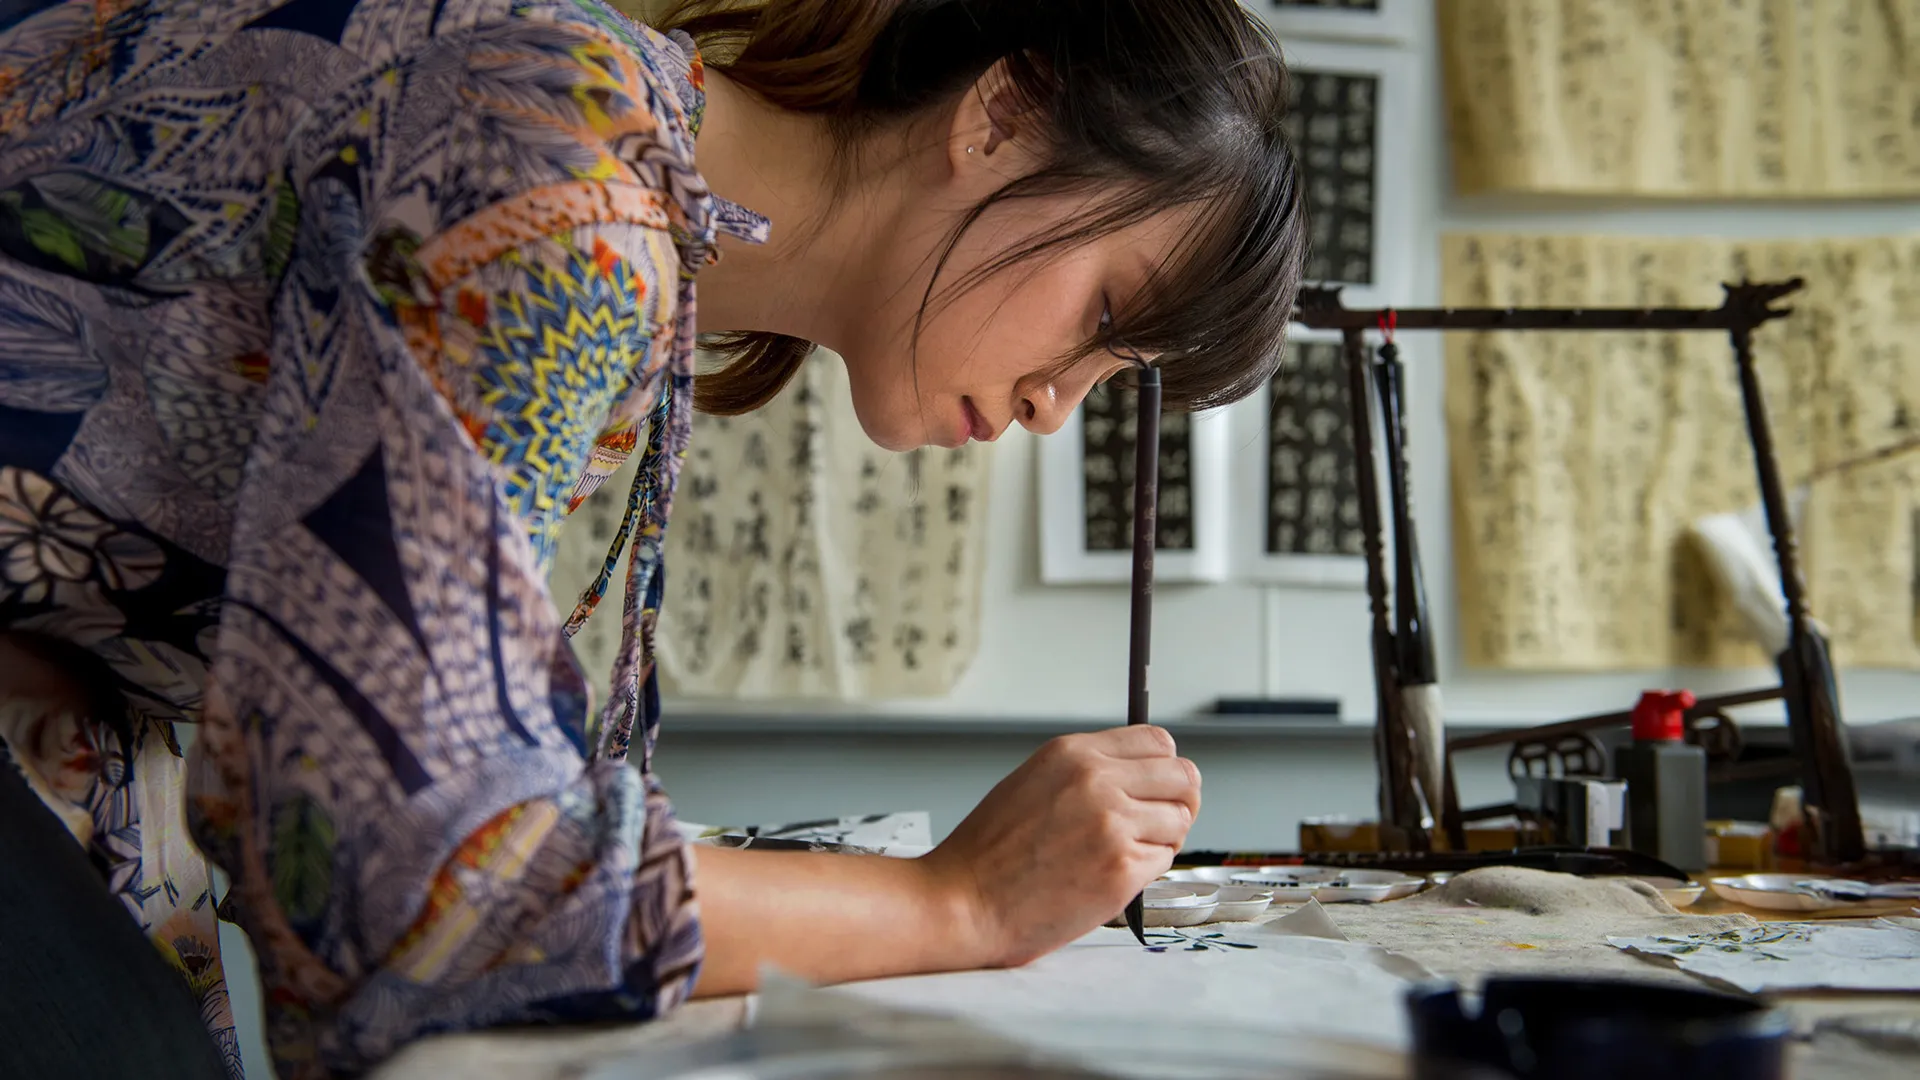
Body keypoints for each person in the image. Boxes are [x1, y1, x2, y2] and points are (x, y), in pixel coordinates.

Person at [0, 0, 1306, 1076]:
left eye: (1109, 373)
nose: (1048, 408)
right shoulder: (557, 169)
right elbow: (401, 869)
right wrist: (956, 902)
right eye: (1103, 311)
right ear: (1000, 115)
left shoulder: (631, 223)